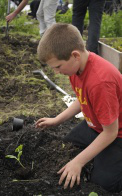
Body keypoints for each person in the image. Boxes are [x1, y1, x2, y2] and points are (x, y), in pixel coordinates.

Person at [35, 23, 122, 193]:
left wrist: (79, 162)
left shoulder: (100, 81)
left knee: (104, 183)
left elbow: (110, 132)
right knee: (68, 145)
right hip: (97, 126)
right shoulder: (77, 69)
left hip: (117, 133)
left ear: (74, 55)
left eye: (58, 67)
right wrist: (56, 120)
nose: (57, 73)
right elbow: (81, 100)